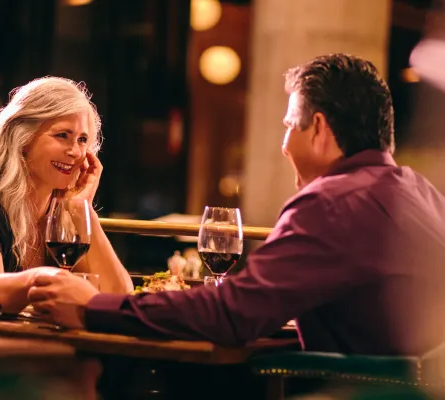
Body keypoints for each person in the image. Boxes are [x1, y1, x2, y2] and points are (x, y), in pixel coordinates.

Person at [28, 54, 445, 355]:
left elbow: (231, 314)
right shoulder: (421, 193)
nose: (283, 147)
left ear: (317, 128)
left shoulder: (332, 203)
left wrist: (92, 307)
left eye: (287, 127)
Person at [0, 77, 133, 313]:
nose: (74, 151)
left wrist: (82, 209)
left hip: (19, 346)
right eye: (62, 135)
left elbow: (120, 297)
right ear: (23, 139)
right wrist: (46, 277)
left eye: (82, 140)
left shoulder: (61, 221)